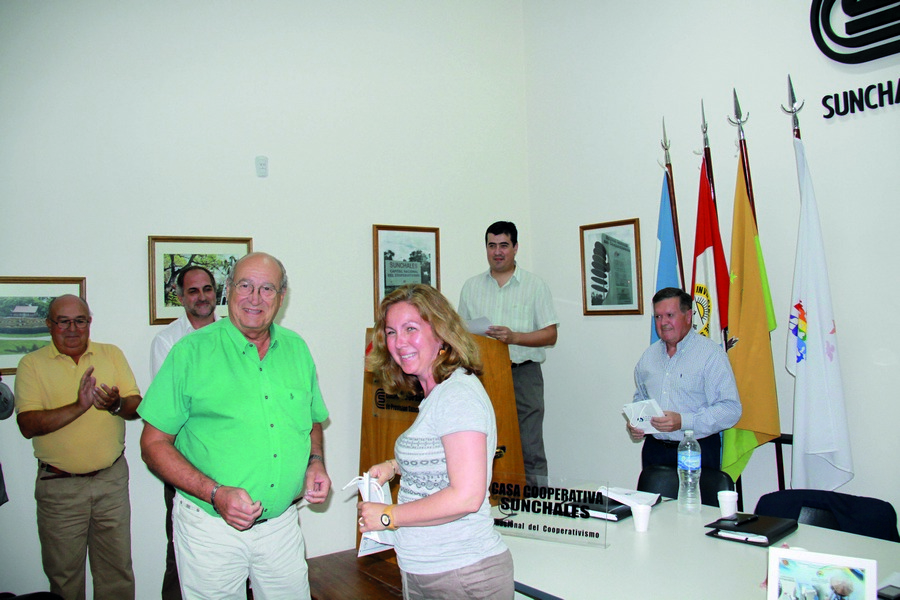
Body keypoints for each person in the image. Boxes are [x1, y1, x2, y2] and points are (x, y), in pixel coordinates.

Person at [139, 252, 331, 599]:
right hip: (210, 530)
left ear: (281, 297)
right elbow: (153, 444)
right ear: (228, 290)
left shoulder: (297, 349)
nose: (255, 298)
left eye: (267, 288)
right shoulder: (189, 353)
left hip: (282, 527)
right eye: (245, 286)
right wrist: (215, 494)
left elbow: (312, 419)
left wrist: (315, 461)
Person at [359, 284, 514, 600]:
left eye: (411, 329)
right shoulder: (438, 393)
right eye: (391, 332)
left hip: (462, 575)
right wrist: (395, 466)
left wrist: (389, 516)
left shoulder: (457, 396)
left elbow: (466, 497)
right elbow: (444, 454)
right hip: (429, 571)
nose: (399, 342)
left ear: (441, 334)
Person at [14, 295, 142, 600]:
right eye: (64, 321)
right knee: (65, 578)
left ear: (89, 323)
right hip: (59, 487)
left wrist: (116, 404)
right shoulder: (31, 364)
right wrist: (79, 406)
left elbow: (136, 406)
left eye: (80, 321)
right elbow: (27, 425)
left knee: (117, 573)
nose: (73, 329)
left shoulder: (111, 354)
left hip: (111, 482)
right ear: (49, 324)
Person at [458, 221, 558, 487]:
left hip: (524, 374)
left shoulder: (535, 285)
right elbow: (460, 332)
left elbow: (551, 335)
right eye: (492, 246)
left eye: (504, 245)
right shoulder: (471, 287)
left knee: (530, 446)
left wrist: (515, 338)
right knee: (483, 442)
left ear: (515, 248)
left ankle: (538, 503)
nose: (497, 252)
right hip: (483, 376)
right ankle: (489, 501)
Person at [149, 265, 219, 600]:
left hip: (234, 459)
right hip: (186, 462)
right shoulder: (167, 342)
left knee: (234, 550)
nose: (202, 297)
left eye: (207, 289)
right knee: (182, 550)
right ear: (180, 297)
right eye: (193, 291)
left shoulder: (238, 334)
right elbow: (171, 410)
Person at [626, 287, 741, 469]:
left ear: (688, 316)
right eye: (658, 316)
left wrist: (684, 421)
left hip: (697, 449)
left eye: (670, 315)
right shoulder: (648, 357)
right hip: (655, 451)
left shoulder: (711, 355)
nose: (663, 322)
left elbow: (730, 409)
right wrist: (636, 423)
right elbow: (641, 398)